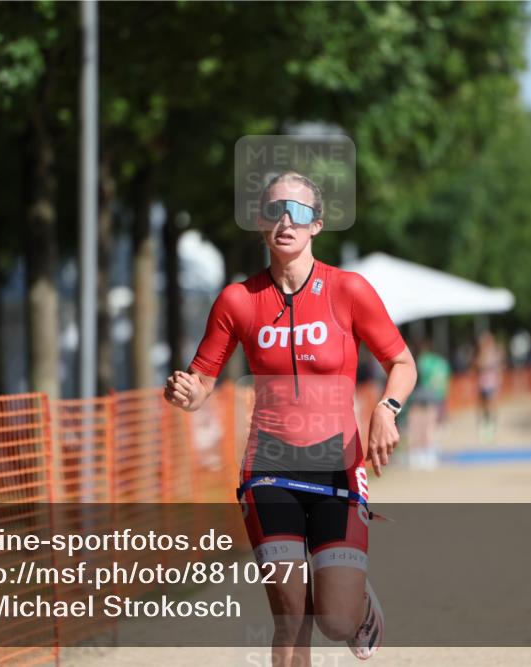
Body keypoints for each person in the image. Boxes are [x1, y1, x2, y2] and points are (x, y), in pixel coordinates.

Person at [164, 171, 416, 665]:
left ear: (316, 224)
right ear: (261, 223)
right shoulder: (238, 300)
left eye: (299, 212)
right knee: (290, 615)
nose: (286, 221)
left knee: (335, 620)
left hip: (337, 466)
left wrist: (387, 409)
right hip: (269, 468)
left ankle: (358, 608)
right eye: (276, 210)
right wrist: (186, 392)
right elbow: (201, 383)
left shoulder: (349, 290)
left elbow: (402, 363)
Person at [408, 339, 450, 469]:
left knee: (417, 425)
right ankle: (426, 451)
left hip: (418, 394)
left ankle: (417, 452)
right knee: (428, 425)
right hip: (433, 395)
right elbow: (443, 381)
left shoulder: (419, 360)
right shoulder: (440, 362)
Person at [474, 331, 504, 442]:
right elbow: (478, 365)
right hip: (483, 383)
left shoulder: (495, 353)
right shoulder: (481, 353)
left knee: (491, 406)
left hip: (492, 383)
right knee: (483, 407)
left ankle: (491, 428)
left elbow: (499, 369)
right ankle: (484, 427)